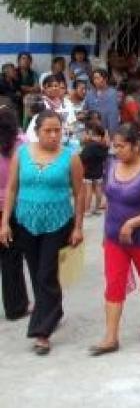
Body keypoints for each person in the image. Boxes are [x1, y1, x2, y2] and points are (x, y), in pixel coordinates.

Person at [0, 110, 84, 355]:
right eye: (48, 130)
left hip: (58, 222)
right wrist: (5, 222)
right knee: (37, 273)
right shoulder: (22, 154)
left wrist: (78, 227)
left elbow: (80, 193)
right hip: (25, 221)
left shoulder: (70, 157)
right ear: (36, 132)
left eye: (57, 130)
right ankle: (54, 310)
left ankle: (41, 332)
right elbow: (13, 188)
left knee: (46, 272)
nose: (53, 135)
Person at [89, 124, 140, 356]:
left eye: (121, 146)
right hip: (115, 239)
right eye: (115, 146)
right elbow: (110, 201)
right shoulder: (112, 165)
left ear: (136, 146)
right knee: (114, 284)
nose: (116, 151)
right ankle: (111, 336)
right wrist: (107, 232)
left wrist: (132, 223)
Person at [0, 106, 27, 320]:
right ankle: (19, 306)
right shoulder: (22, 144)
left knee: (7, 257)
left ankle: (15, 306)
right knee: (19, 257)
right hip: (19, 206)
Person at [80, 122, 109, 215]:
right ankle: (96, 208)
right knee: (98, 189)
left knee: (88, 190)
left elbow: (82, 157)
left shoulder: (89, 146)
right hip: (99, 170)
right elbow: (104, 157)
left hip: (88, 170)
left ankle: (87, 209)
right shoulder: (103, 146)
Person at [83, 68, 120, 137]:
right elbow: (85, 110)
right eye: (94, 79)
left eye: (97, 78)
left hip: (107, 132)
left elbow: (113, 117)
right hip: (92, 132)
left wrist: (111, 135)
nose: (95, 81)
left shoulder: (112, 94)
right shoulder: (90, 94)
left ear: (105, 79)